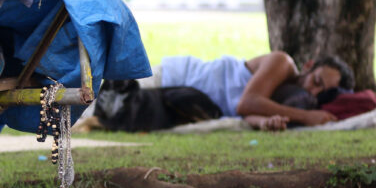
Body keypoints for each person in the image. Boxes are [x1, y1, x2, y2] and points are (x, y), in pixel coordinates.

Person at [83, 52, 355, 132]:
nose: (312, 90)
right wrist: (307, 118)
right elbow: (247, 103)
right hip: (177, 77)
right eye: (316, 80)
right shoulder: (283, 63)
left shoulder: (288, 101)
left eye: (322, 91)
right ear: (309, 65)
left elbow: (249, 114)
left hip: (183, 102)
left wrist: (268, 122)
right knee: (97, 106)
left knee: (109, 115)